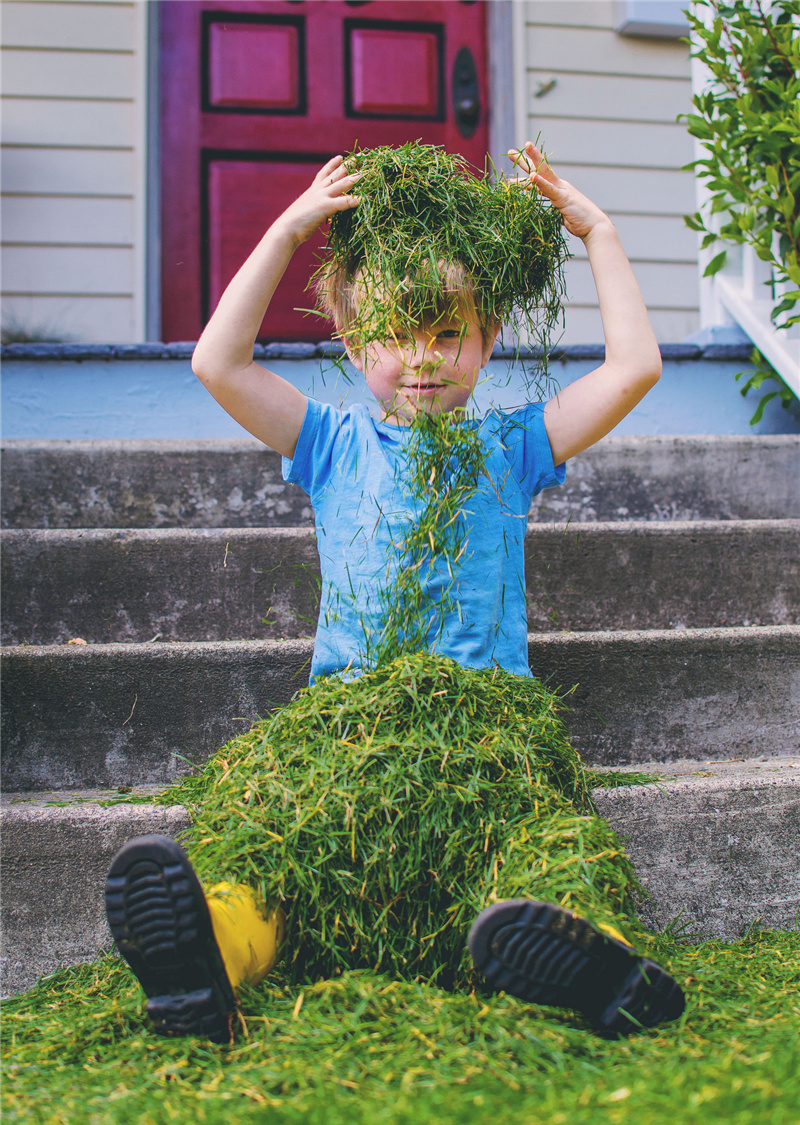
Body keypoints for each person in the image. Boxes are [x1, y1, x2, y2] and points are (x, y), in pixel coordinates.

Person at [105, 144, 684, 1043]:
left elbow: (633, 367)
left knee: (533, 843)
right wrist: (292, 226)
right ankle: (212, 951)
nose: (422, 358)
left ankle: (593, 960)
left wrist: (598, 232)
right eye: (395, 333)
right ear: (351, 342)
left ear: (488, 339)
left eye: (447, 332)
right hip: (349, 722)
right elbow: (217, 363)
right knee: (280, 847)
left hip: (488, 727)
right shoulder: (332, 442)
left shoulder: (513, 447)